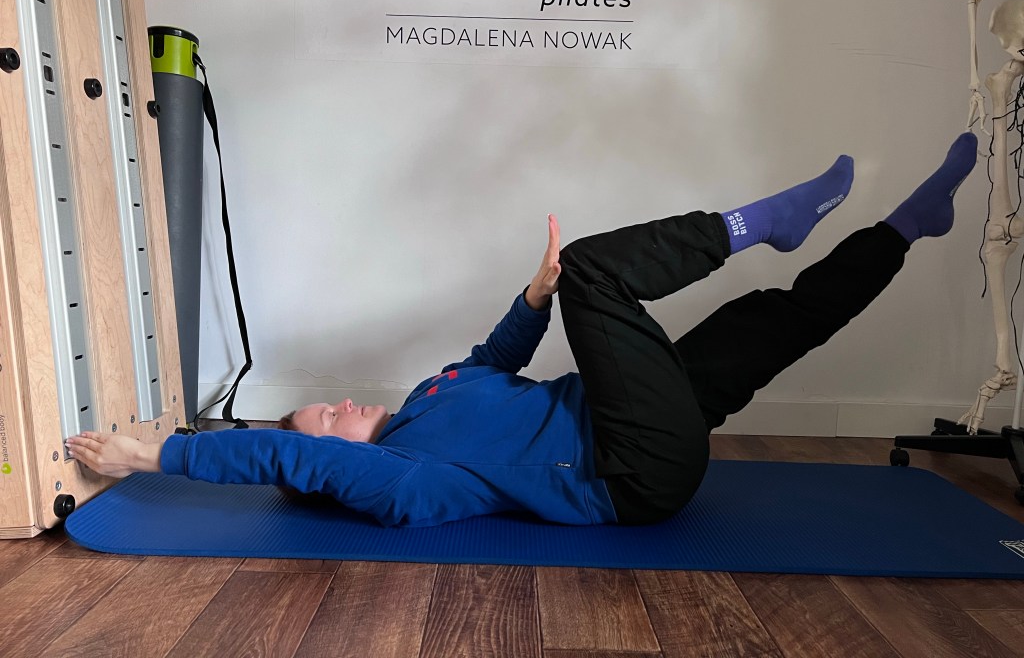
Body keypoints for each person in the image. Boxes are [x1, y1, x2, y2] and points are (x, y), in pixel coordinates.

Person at [67, 133, 979, 527]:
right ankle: (756, 223)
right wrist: (155, 456)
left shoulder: (427, 400)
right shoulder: (405, 483)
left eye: (326, 405)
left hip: (645, 413)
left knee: (771, 322)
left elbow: (490, 361)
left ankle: (905, 227)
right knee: (597, 269)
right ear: (330, 467)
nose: (339, 407)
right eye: (326, 421)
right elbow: (282, 456)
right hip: (631, 469)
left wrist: (535, 298)